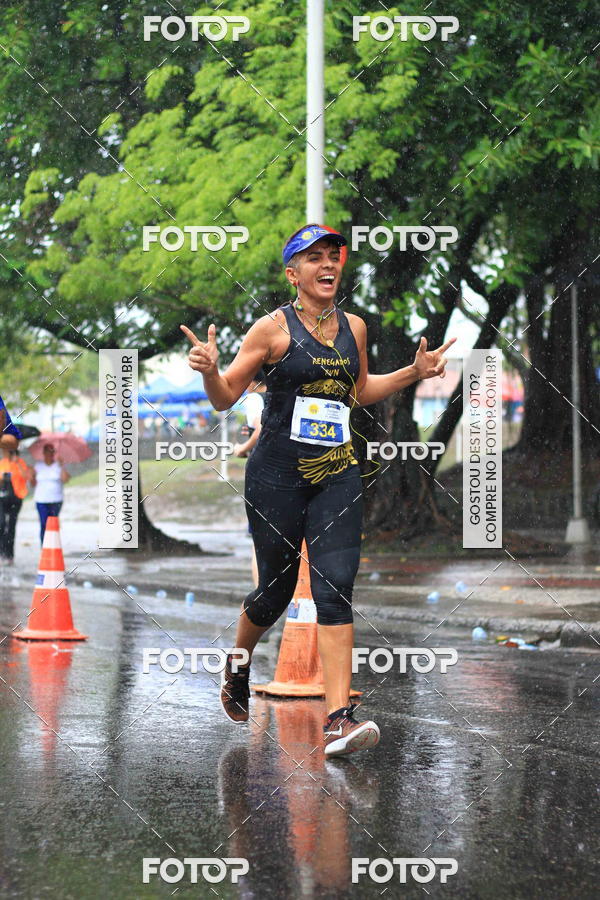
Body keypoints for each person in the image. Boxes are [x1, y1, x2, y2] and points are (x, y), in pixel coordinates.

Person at [181, 223, 454, 758]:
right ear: (293, 273)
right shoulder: (270, 329)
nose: (327, 265)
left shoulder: (355, 326)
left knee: (335, 587)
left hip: (337, 474)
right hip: (276, 475)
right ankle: (238, 665)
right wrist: (211, 372)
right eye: (314, 259)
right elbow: (225, 397)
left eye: (334, 256)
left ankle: (338, 719)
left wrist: (414, 373)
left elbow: (358, 391)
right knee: (276, 593)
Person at [233, 370, 268, 587]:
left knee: (259, 541)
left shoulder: (254, 398)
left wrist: (242, 448)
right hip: (290, 468)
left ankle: (261, 594)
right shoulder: (283, 394)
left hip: (263, 473)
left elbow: (261, 427)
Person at [0, 434, 33, 565]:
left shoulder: (20, 463)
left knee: (11, 527)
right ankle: (2, 551)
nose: (5, 452)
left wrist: (17, 462)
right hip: (2, 498)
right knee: (1, 524)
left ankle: (9, 555)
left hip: (16, 498)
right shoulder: (2, 464)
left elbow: (26, 477)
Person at [31, 443, 70, 543]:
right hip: (41, 500)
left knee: (53, 523)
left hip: (56, 500)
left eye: (52, 452)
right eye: (48, 451)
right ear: (44, 453)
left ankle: (53, 546)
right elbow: (33, 483)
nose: (50, 454)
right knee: (44, 523)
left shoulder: (58, 465)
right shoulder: (38, 465)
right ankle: (44, 546)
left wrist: (62, 466)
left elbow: (65, 479)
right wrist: (31, 475)